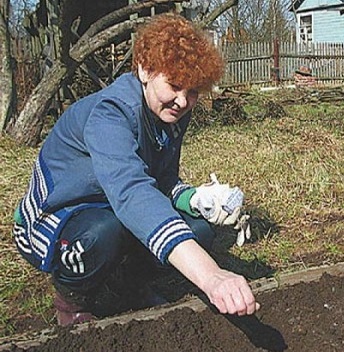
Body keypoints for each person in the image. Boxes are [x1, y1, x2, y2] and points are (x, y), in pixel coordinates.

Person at [12, 13, 259, 327]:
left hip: (114, 206)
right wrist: (211, 277)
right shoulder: (110, 113)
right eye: (175, 85)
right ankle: (72, 298)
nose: (183, 101)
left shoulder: (169, 114)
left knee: (199, 231)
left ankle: (127, 284)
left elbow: (163, 179)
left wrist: (195, 200)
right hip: (65, 212)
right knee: (103, 231)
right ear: (145, 70)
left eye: (193, 91)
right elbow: (131, 192)